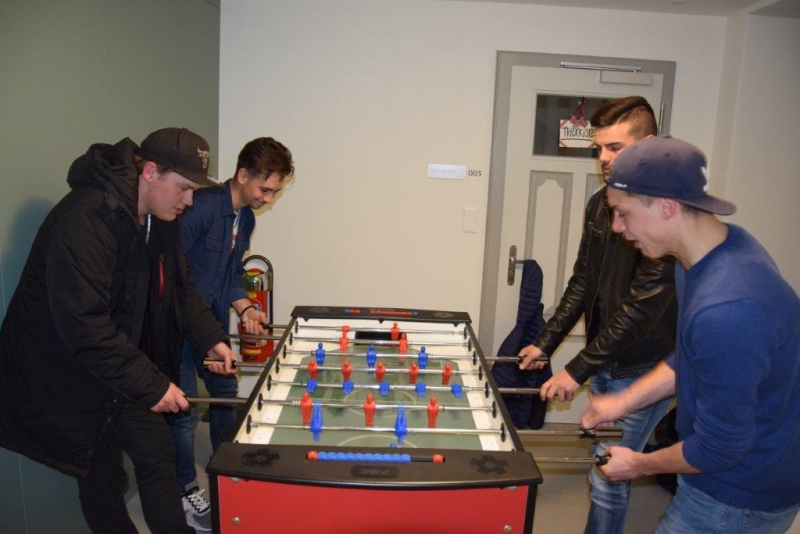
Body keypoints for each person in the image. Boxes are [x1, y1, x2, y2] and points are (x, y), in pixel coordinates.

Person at [0, 127, 237, 533]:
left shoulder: (161, 217)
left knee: (157, 448)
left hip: (113, 365)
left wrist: (210, 338)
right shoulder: (86, 218)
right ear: (150, 172)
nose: (188, 201)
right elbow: (85, 326)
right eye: (183, 188)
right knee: (102, 476)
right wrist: (154, 386)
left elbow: (180, 286)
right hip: (65, 373)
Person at [584, 134, 800, 532]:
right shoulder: (709, 252)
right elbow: (690, 356)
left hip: (736, 497)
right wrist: (624, 401)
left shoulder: (729, 307)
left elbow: (718, 448)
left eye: (624, 213)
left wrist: (640, 464)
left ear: (666, 206)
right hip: (727, 476)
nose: (617, 227)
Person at [518, 96, 678, 533]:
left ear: (648, 144)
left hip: (644, 369)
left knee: (607, 474)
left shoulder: (666, 213)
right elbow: (583, 281)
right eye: (599, 148)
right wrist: (546, 342)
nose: (604, 159)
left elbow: (640, 310)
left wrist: (576, 370)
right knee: (604, 464)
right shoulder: (599, 203)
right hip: (605, 358)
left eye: (615, 148)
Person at [170, 137, 294, 531]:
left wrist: (246, 307)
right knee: (184, 412)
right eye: (265, 189)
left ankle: (226, 468)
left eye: (274, 192)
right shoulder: (203, 207)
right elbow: (173, 274)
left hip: (210, 322)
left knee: (225, 392)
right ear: (243, 174)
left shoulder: (247, 219)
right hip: (177, 325)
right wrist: (209, 334)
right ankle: (185, 489)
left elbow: (231, 273)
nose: (268, 199)